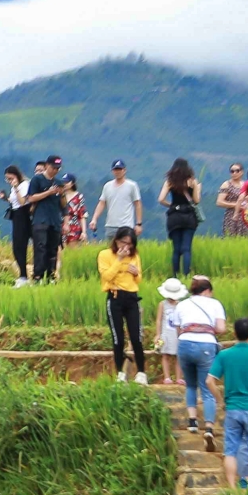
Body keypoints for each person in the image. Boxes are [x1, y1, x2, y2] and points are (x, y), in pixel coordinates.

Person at [208, 320, 248, 495]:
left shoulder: (225, 355)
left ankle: (232, 489)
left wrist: (220, 401)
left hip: (233, 408)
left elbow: (209, 381)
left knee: (230, 450)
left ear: (234, 333)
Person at [176, 276, 227, 451]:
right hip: (206, 344)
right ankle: (209, 427)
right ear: (207, 291)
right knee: (207, 389)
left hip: (183, 344)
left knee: (190, 385)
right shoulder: (214, 304)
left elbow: (177, 327)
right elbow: (221, 329)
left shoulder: (182, 304)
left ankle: (192, 422)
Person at [98, 226, 147, 384]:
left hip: (132, 298)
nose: (126, 247)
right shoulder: (105, 255)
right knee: (117, 337)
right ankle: (120, 373)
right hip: (115, 296)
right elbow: (107, 276)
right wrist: (119, 260)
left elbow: (138, 279)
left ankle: (141, 373)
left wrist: (135, 273)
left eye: (129, 244)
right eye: (123, 242)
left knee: (136, 337)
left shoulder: (135, 255)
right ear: (116, 240)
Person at [159, 159, 201, 279]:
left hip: (174, 216)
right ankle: (186, 275)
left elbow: (161, 199)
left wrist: (171, 205)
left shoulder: (169, 182)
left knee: (176, 249)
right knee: (186, 248)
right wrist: (197, 189)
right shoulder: (192, 181)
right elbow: (196, 201)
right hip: (188, 216)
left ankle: (175, 276)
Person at [24, 158, 63, 283]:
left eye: (57, 168)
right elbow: (31, 198)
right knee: (40, 246)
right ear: (47, 166)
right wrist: (49, 192)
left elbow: (63, 204)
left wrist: (61, 193)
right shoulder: (37, 179)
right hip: (40, 219)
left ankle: (50, 274)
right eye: (53, 168)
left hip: (55, 219)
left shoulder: (58, 182)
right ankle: (38, 275)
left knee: (53, 248)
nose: (55, 170)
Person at [90, 160, 143, 238]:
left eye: (120, 169)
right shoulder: (107, 186)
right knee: (111, 249)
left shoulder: (132, 185)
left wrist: (138, 224)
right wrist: (94, 219)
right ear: (112, 171)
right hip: (110, 225)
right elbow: (102, 203)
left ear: (124, 170)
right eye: (115, 170)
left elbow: (138, 204)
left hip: (126, 225)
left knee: (125, 248)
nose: (117, 172)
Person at [154, 277, 187, 388]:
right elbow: (159, 320)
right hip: (166, 334)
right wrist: (158, 334)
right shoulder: (162, 304)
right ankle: (167, 377)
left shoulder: (181, 305)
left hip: (178, 334)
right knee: (165, 355)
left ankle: (178, 377)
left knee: (179, 356)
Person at [216, 163, 248, 236]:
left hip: (244, 215)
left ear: (242, 172)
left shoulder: (245, 184)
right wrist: (236, 205)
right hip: (231, 215)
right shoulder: (227, 184)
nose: (234, 173)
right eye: (232, 171)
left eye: (237, 171)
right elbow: (219, 202)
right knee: (230, 236)